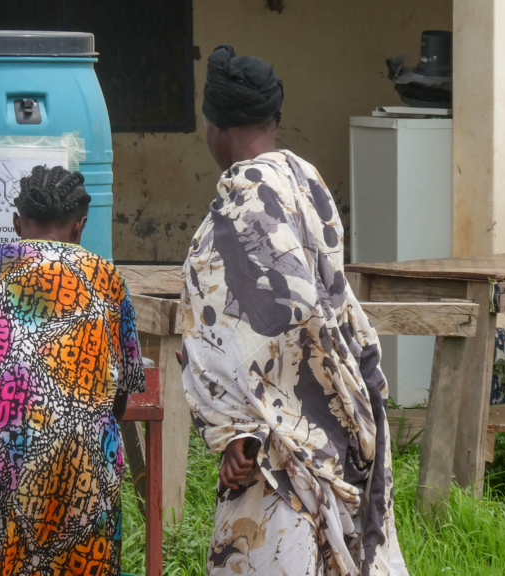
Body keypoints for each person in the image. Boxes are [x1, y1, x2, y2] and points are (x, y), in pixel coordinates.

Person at [180, 45, 409, 576]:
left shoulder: (241, 207)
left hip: (274, 443)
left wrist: (240, 427)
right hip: (340, 414)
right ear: (275, 119)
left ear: (214, 126)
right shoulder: (307, 182)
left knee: (279, 551)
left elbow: (240, 329)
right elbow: (320, 303)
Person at [0, 165, 146, 576]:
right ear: (80, 226)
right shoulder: (106, 278)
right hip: (78, 464)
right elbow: (121, 393)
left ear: (16, 224)